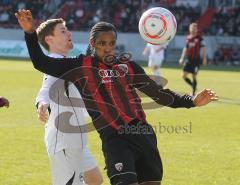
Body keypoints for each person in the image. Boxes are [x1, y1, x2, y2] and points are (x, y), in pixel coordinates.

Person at [16, 9, 218, 185]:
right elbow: (41, 63)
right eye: (102, 43)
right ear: (92, 43)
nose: (107, 47)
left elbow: (159, 95)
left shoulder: (128, 66)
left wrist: (191, 101)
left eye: (111, 43)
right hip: (116, 142)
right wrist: (30, 33)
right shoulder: (79, 66)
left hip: (145, 137)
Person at [34, 18, 102, 185]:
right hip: (64, 141)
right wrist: (42, 104)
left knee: (94, 179)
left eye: (67, 29)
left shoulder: (65, 63)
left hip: (76, 140)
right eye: (63, 31)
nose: (69, 33)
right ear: (49, 39)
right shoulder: (55, 64)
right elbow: (44, 89)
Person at [179, 22, 207, 95]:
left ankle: (193, 92)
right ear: (190, 29)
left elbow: (204, 48)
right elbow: (185, 48)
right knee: (183, 76)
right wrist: (182, 58)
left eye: (194, 28)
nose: (193, 29)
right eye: (192, 28)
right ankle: (193, 86)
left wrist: (204, 58)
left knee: (194, 76)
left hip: (196, 60)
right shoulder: (188, 38)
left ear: (197, 29)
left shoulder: (200, 38)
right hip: (188, 59)